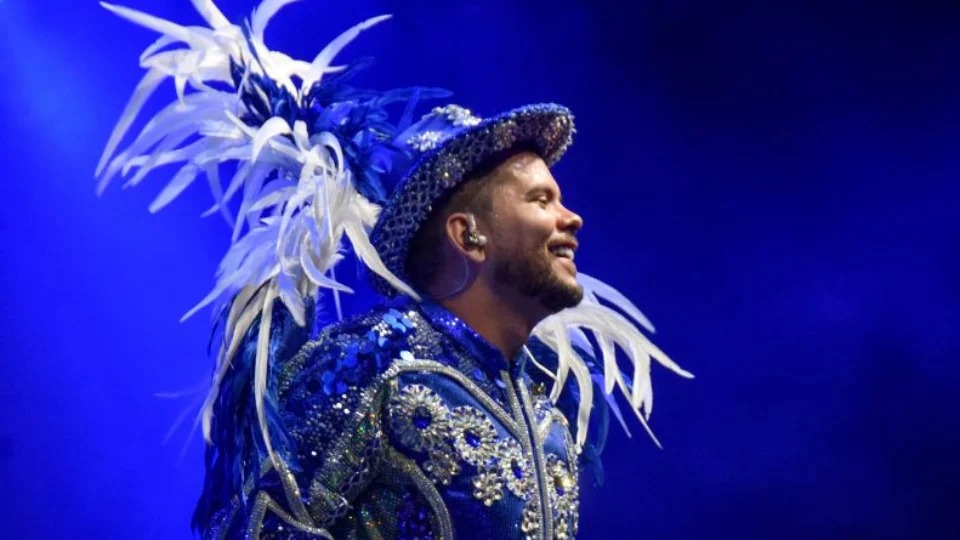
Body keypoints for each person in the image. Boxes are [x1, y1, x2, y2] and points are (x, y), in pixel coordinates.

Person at [97, 2, 693, 538]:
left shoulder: (550, 420)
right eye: (542, 200)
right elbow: (254, 528)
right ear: (469, 235)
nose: (573, 217)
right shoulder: (374, 362)